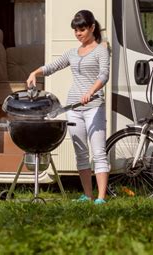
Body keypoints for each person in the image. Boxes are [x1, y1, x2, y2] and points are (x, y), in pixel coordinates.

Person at [26, 10, 110, 204]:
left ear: (92, 28)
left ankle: (101, 197)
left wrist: (91, 91)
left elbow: (103, 75)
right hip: (73, 106)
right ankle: (87, 195)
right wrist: (35, 73)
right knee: (80, 151)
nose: (78, 33)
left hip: (93, 106)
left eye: (82, 29)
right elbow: (53, 66)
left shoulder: (101, 50)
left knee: (98, 152)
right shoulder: (73, 52)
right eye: (75, 30)